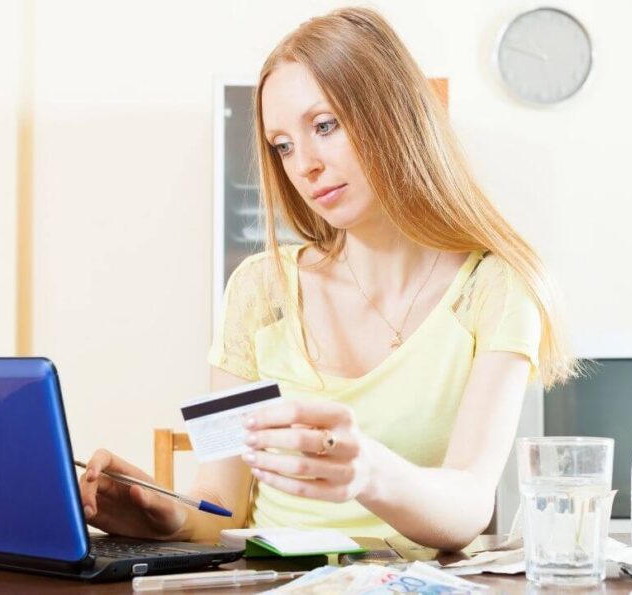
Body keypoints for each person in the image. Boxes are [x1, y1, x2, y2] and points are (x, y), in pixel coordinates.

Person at [79, 7, 574, 551]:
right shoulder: (259, 290)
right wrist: (161, 513)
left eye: (324, 125)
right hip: (266, 582)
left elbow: (469, 506)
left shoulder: (495, 288)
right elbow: (219, 507)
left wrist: (369, 472)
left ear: (394, 116)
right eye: (283, 145)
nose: (304, 164)